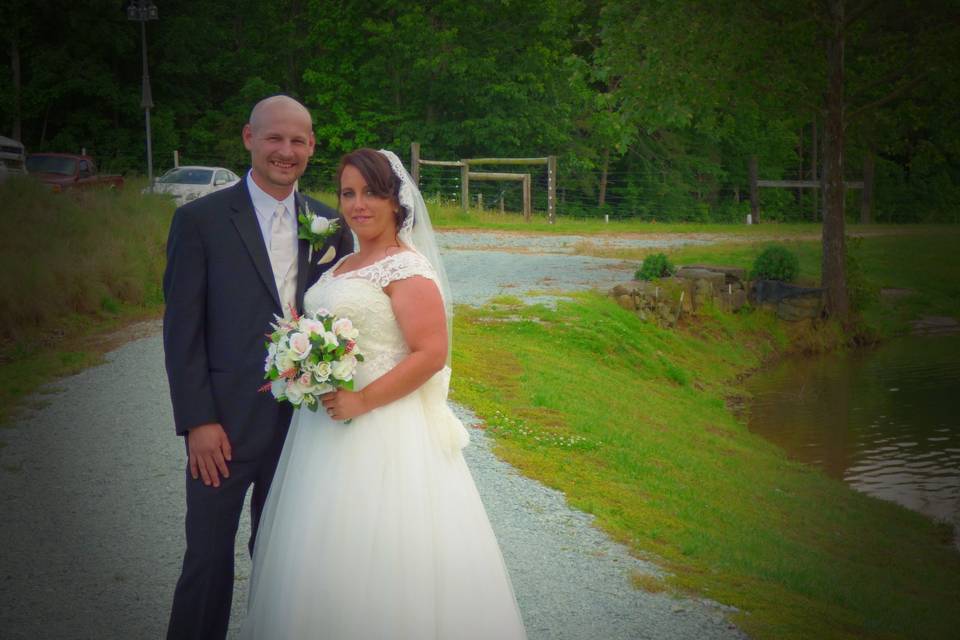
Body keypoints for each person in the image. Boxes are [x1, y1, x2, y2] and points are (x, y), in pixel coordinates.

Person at [239, 149, 527, 639]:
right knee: (321, 553)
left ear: (397, 201)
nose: (358, 204)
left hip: (382, 428)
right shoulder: (344, 262)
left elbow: (430, 352)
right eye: (348, 193)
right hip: (322, 431)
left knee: (378, 556)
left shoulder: (406, 269)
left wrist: (363, 400)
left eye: (371, 192)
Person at [162, 95, 354, 640]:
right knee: (207, 560)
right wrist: (197, 421)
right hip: (221, 427)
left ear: (312, 147)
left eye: (298, 141)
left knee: (283, 564)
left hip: (302, 429)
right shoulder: (199, 221)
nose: (285, 151)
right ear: (249, 138)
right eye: (274, 138)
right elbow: (182, 332)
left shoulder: (329, 223)